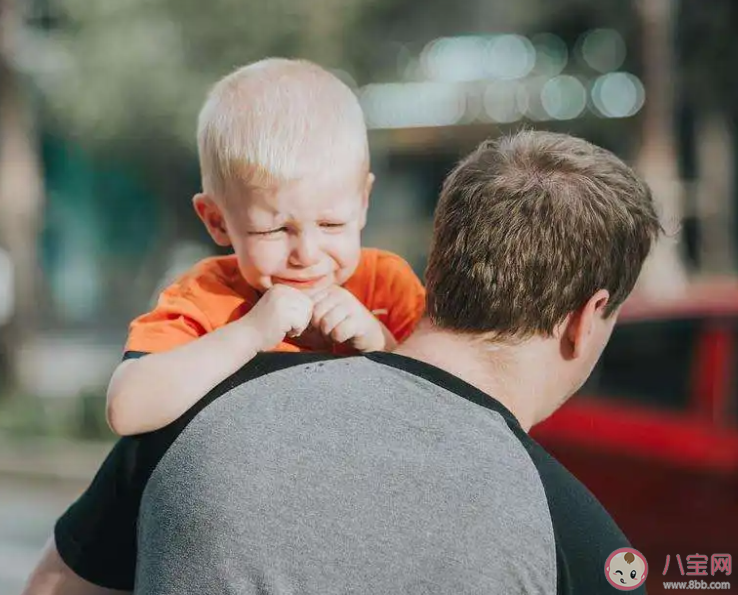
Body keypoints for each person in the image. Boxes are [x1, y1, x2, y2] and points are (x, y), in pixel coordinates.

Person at [24, 130, 660, 594]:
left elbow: (53, 587)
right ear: (585, 317)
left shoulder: (195, 411)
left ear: (440, 264)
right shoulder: (576, 539)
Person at [105, 58, 426, 436]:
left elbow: (450, 411)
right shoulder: (205, 297)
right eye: (273, 230)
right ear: (216, 221)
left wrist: (380, 343)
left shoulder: (387, 286)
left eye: (331, 224)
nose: (306, 255)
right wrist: (250, 333)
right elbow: (128, 410)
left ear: (363, 202)